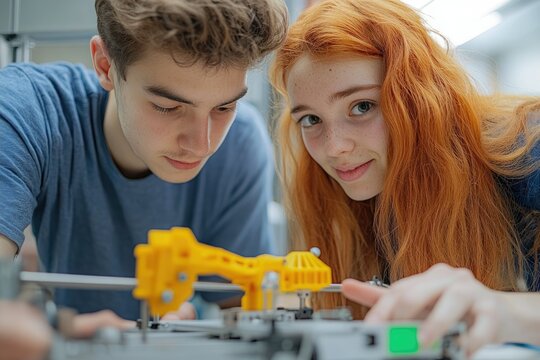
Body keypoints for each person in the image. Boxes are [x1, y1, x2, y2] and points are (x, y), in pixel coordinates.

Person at [269, 0, 539, 355]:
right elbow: (404, 341)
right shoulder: (356, 190)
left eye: (362, 106)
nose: (334, 148)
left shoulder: (526, 149)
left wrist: (504, 311)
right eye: (311, 120)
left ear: (420, 98)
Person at [0, 0, 288, 323]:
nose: (201, 144)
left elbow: (245, 316)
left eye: (224, 108)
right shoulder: (25, 111)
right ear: (105, 65)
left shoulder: (241, 144)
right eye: (167, 107)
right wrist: (58, 332)